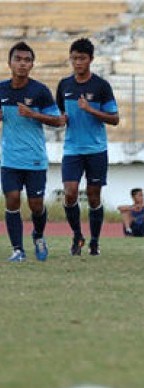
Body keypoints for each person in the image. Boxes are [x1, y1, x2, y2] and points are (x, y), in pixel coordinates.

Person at [0, 41, 63, 262]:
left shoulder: (40, 91)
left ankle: (38, 235)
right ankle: (18, 249)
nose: (22, 64)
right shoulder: (1, 89)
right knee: (13, 199)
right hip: (9, 158)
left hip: (34, 158)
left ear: (32, 65)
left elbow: (58, 121)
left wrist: (33, 114)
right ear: (10, 63)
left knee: (36, 205)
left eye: (27, 60)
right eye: (18, 59)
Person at [56, 38, 119, 257]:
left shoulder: (101, 86)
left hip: (96, 150)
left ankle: (94, 241)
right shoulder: (64, 85)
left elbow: (115, 118)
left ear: (91, 59)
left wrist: (90, 109)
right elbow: (60, 113)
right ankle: (77, 236)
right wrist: (61, 119)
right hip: (72, 149)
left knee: (93, 197)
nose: (77, 62)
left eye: (82, 58)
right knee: (70, 193)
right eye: (74, 58)